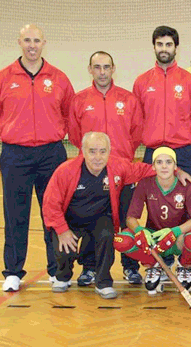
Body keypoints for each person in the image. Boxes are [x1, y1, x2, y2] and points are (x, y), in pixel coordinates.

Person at [41, 132, 191, 299]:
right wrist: (62, 230)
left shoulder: (117, 166)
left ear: (109, 151)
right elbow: (50, 204)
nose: (97, 157)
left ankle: (103, 283)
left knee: (107, 234)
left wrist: (177, 171)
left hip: (99, 219)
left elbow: (144, 169)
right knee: (64, 250)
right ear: (82, 151)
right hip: (69, 220)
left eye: (102, 151)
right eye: (92, 151)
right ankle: (62, 276)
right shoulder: (65, 171)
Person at [0, 24, 75, 292]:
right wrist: (12, 133)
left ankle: (57, 270)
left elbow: (70, 112)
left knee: (54, 213)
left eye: (36, 40)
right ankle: (13, 271)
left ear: (44, 43)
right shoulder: (3, 78)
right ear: (19, 42)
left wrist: (54, 133)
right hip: (15, 155)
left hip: (51, 154)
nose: (32, 45)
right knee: (15, 215)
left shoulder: (58, 78)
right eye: (27, 40)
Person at [68, 51, 144, 286]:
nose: (102, 72)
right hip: (92, 174)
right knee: (94, 222)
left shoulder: (129, 99)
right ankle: (89, 268)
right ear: (90, 69)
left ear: (113, 69)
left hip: (124, 171)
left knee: (127, 219)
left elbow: (137, 133)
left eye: (106, 67)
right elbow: (74, 135)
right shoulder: (79, 100)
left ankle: (131, 266)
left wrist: (120, 159)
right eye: (97, 67)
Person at [115, 147, 191, 293]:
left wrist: (175, 231)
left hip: (178, 237)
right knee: (122, 240)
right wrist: (140, 231)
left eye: (168, 162)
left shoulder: (185, 186)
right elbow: (131, 218)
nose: (164, 166)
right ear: (153, 166)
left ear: (175, 166)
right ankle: (153, 266)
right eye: (159, 162)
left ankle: (185, 267)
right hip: (155, 238)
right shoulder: (145, 184)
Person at [133, 25, 191, 191]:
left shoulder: (190, 81)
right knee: (153, 206)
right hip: (153, 152)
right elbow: (138, 119)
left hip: (184, 152)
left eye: (168, 44)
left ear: (176, 48)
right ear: (154, 47)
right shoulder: (142, 82)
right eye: (160, 44)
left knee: (189, 205)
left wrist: (184, 139)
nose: (164, 49)